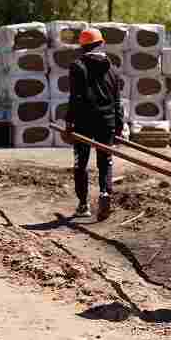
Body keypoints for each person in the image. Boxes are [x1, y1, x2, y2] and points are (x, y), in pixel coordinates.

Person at [64, 28, 124, 220]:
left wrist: (68, 122)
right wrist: (119, 126)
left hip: (84, 122)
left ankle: (83, 205)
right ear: (102, 44)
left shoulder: (78, 66)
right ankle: (105, 192)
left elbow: (75, 97)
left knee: (80, 163)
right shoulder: (112, 69)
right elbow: (117, 101)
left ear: (82, 47)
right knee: (105, 161)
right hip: (107, 122)